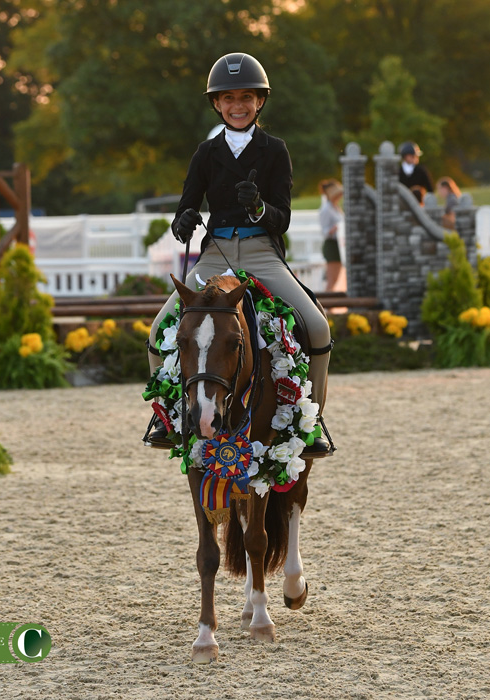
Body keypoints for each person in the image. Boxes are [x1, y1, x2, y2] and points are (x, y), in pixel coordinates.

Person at [145, 52, 333, 457]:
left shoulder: (275, 150)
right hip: (215, 254)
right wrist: (183, 222)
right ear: (216, 103)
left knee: (318, 327)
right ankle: (166, 416)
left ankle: (313, 421)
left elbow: (281, 218)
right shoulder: (205, 153)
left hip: (262, 251)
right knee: (157, 332)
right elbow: (186, 206)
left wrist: (259, 209)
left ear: (259, 101)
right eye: (228, 99)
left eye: (246, 97)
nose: (237, 106)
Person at [318, 178, 344, 291]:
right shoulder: (326, 209)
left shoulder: (336, 208)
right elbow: (324, 231)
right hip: (331, 245)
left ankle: (330, 308)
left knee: (336, 278)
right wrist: (334, 228)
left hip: (338, 244)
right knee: (331, 279)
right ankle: (325, 307)